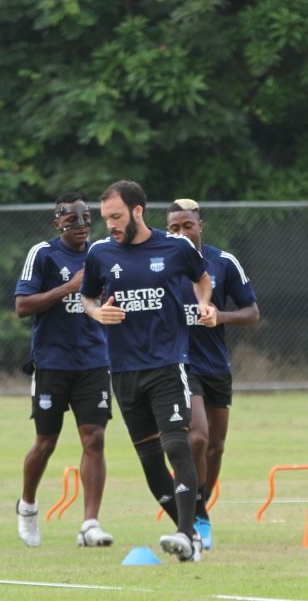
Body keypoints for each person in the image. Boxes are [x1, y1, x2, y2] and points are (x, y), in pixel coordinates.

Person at [80, 180, 215, 563]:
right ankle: (191, 537)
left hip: (167, 365)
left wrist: (204, 304)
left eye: (116, 216)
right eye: (106, 217)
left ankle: (186, 533)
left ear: (138, 211)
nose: (110, 224)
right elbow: (87, 296)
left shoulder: (176, 247)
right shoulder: (100, 253)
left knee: (176, 445)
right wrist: (97, 313)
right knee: (151, 460)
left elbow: (202, 279)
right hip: (123, 371)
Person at [13, 192, 114, 548]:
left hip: (94, 361)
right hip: (52, 362)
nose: (81, 226)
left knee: (94, 438)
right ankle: (27, 506)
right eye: (72, 220)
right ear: (57, 222)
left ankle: (90, 524)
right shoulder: (43, 254)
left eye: (86, 219)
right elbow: (22, 306)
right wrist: (68, 288)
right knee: (46, 442)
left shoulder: (102, 254)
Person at [166, 199, 259, 550]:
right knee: (198, 438)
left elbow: (251, 313)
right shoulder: (159, 263)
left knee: (216, 447)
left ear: (200, 226)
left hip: (216, 365)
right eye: (174, 227)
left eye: (187, 226)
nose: (181, 233)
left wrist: (220, 316)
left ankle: (199, 505)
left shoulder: (224, 262)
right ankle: (198, 514)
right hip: (180, 363)